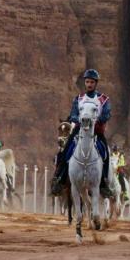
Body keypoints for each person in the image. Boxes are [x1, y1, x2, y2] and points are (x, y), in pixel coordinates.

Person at [51, 69, 113, 198]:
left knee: (105, 153)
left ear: (96, 83)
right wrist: (76, 119)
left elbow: (107, 113)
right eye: (87, 82)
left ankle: (104, 184)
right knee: (65, 150)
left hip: (96, 131)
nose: (89, 84)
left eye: (91, 82)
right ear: (85, 83)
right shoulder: (78, 99)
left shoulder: (103, 99)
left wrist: (98, 120)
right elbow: (73, 113)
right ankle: (59, 179)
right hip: (80, 130)